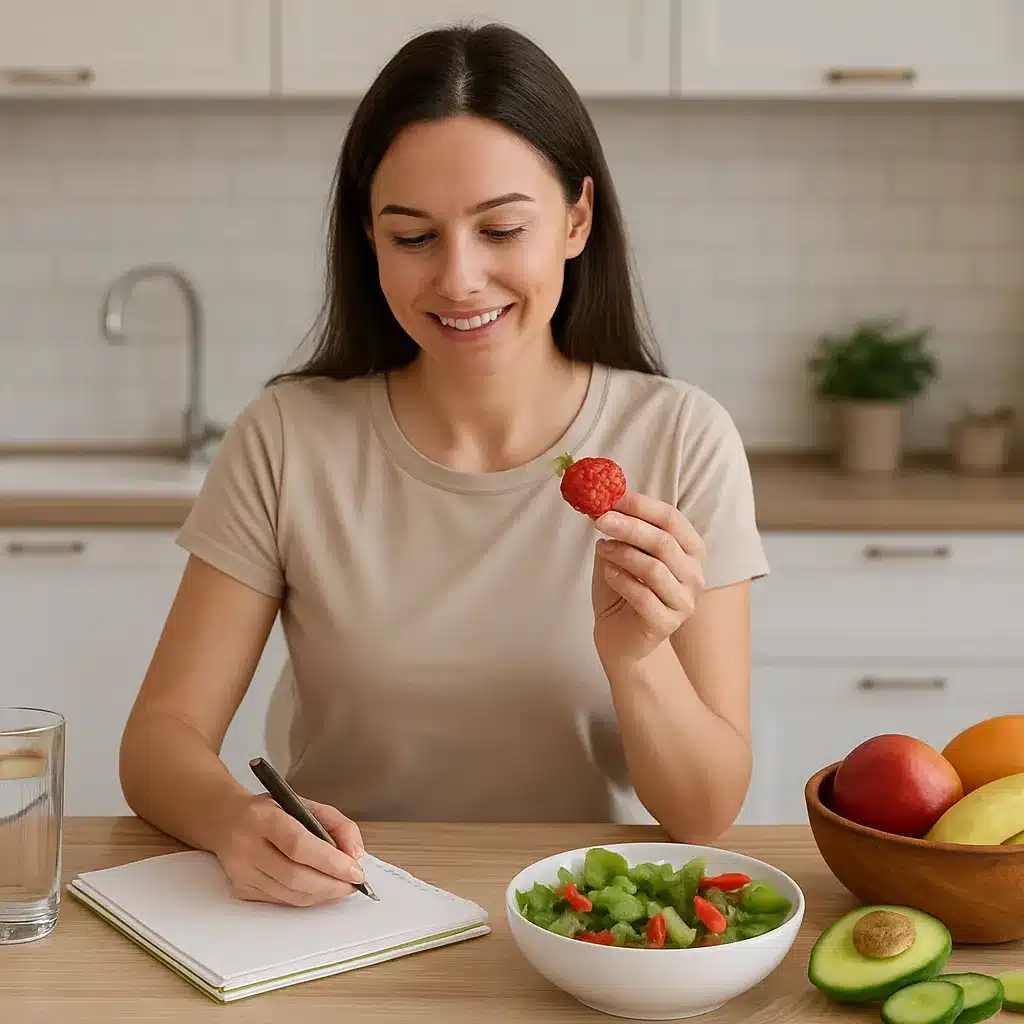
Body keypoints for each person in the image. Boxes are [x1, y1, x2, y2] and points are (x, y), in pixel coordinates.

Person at [118, 22, 769, 909]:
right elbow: (159, 740)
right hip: (345, 916)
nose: (459, 279)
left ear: (577, 220)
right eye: (413, 237)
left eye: (501, 228)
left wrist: (638, 659)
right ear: (369, 239)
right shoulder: (285, 437)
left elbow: (705, 812)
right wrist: (236, 822)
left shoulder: (683, 437)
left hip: (581, 927)